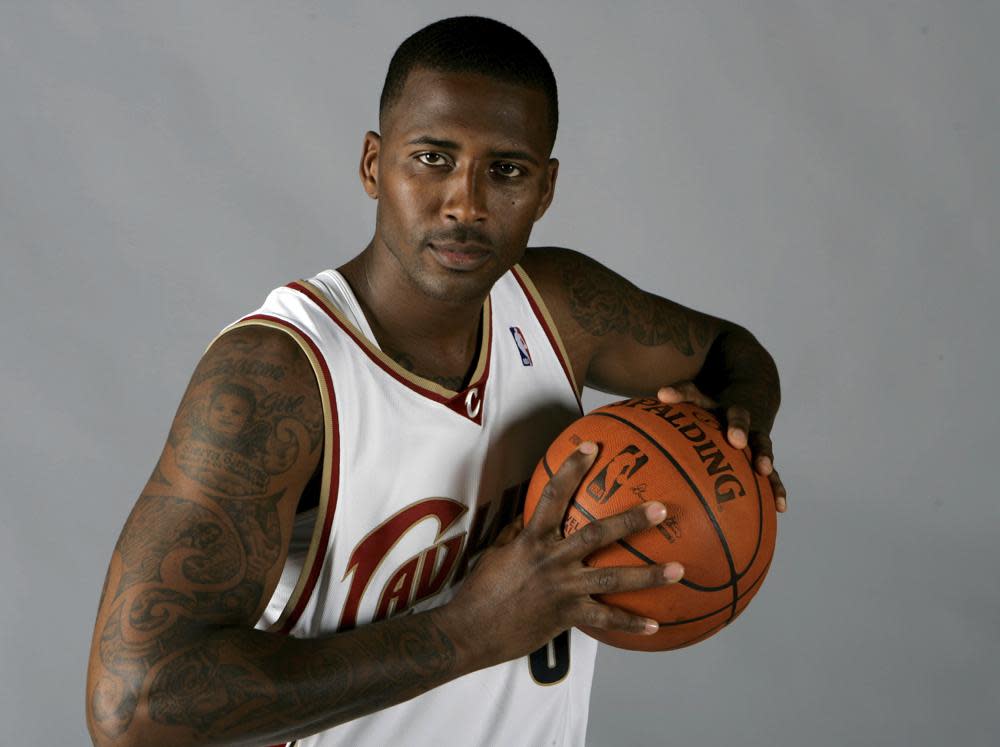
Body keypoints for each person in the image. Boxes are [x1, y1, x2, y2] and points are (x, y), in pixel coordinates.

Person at [85, 16, 785, 747]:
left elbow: (732, 354)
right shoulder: (281, 376)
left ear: (545, 189)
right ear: (371, 165)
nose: (466, 203)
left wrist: (743, 424)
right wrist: (464, 632)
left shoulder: (562, 307)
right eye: (432, 157)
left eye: (507, 170)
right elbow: (133, 706)